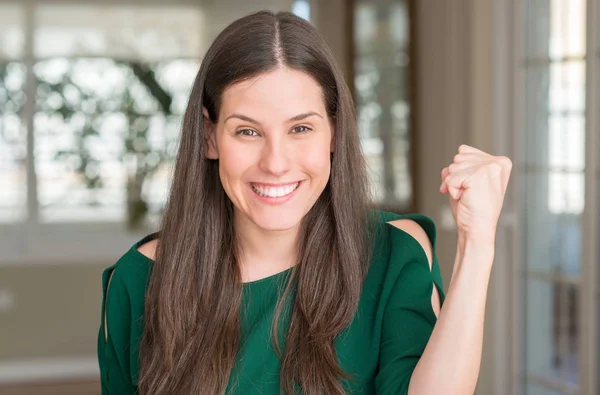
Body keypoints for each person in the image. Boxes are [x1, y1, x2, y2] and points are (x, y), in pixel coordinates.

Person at [97, 10, 512, 395]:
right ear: (210, 137)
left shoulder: (394, 255)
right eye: (247, 131)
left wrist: (478, 244)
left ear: (333, 131)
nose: (276, 163)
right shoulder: (137, 282)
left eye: (300, 128)